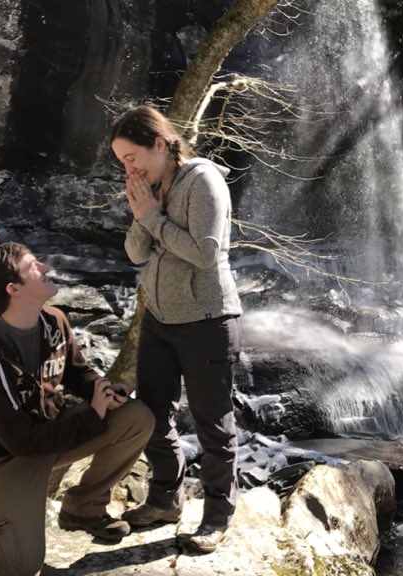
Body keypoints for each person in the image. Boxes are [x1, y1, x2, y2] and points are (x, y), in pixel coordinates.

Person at [0, 242, 155, 575]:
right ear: (14, 289)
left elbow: (77, 371)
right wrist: (94, 413)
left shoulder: (53, 320)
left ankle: (83, 507)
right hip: (3, 459)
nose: (46, 268)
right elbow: (23, 443)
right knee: (16, 568)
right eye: (34, 266)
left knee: (136, 418)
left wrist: (103, 390)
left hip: (49, 434)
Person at [111, 105, 243, 554]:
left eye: (132, 157)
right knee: (151, 414)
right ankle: (166, 499)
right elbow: (134, 253)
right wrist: (142, 210)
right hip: (160, 319)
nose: (128, 168)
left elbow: (205, 254)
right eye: (122, 162)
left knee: (212, 422)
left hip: (208, 320)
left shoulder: (204, 180)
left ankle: (217, 517)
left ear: (160, 144)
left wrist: (153, 217)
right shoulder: (151, 185)